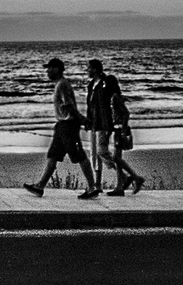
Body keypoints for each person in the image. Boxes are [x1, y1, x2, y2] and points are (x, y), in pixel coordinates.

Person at [23, 57, 100, 199]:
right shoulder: (60, 84)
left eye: (50, 68)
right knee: (52, 156)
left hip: (68, 126)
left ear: (57, 69)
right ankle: (40, 186)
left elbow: (69, 105)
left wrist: (81, 120)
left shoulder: (62, 85)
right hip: (61, 126)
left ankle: (92, 187)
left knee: (79, 155)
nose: (47, 71)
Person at [85, 58, 143, 196]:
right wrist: (88, 120)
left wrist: (111, 125)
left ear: (95, 69)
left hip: (104, 124)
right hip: (95, 123)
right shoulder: (92, 85)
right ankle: (119, 184)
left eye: (89, 68)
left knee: (102, 151)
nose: (87, 70)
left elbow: (108, 106)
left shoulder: (105, 84)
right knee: (100, 153)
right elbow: (91, 105)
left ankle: (125, 177)